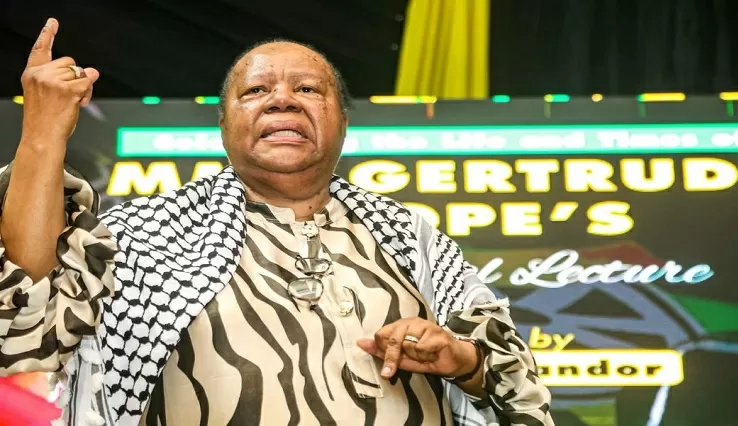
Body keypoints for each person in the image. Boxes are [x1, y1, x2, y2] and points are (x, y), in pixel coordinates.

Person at [0, 18, 554, 426]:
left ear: (342, 122)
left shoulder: (414, 241)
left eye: (308, 89)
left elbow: (516, 381)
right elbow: (26, 321)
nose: (283, 100)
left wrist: (463, 361)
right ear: (223, 125)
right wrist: (43, 131)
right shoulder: (143, 234)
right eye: (256, 91)